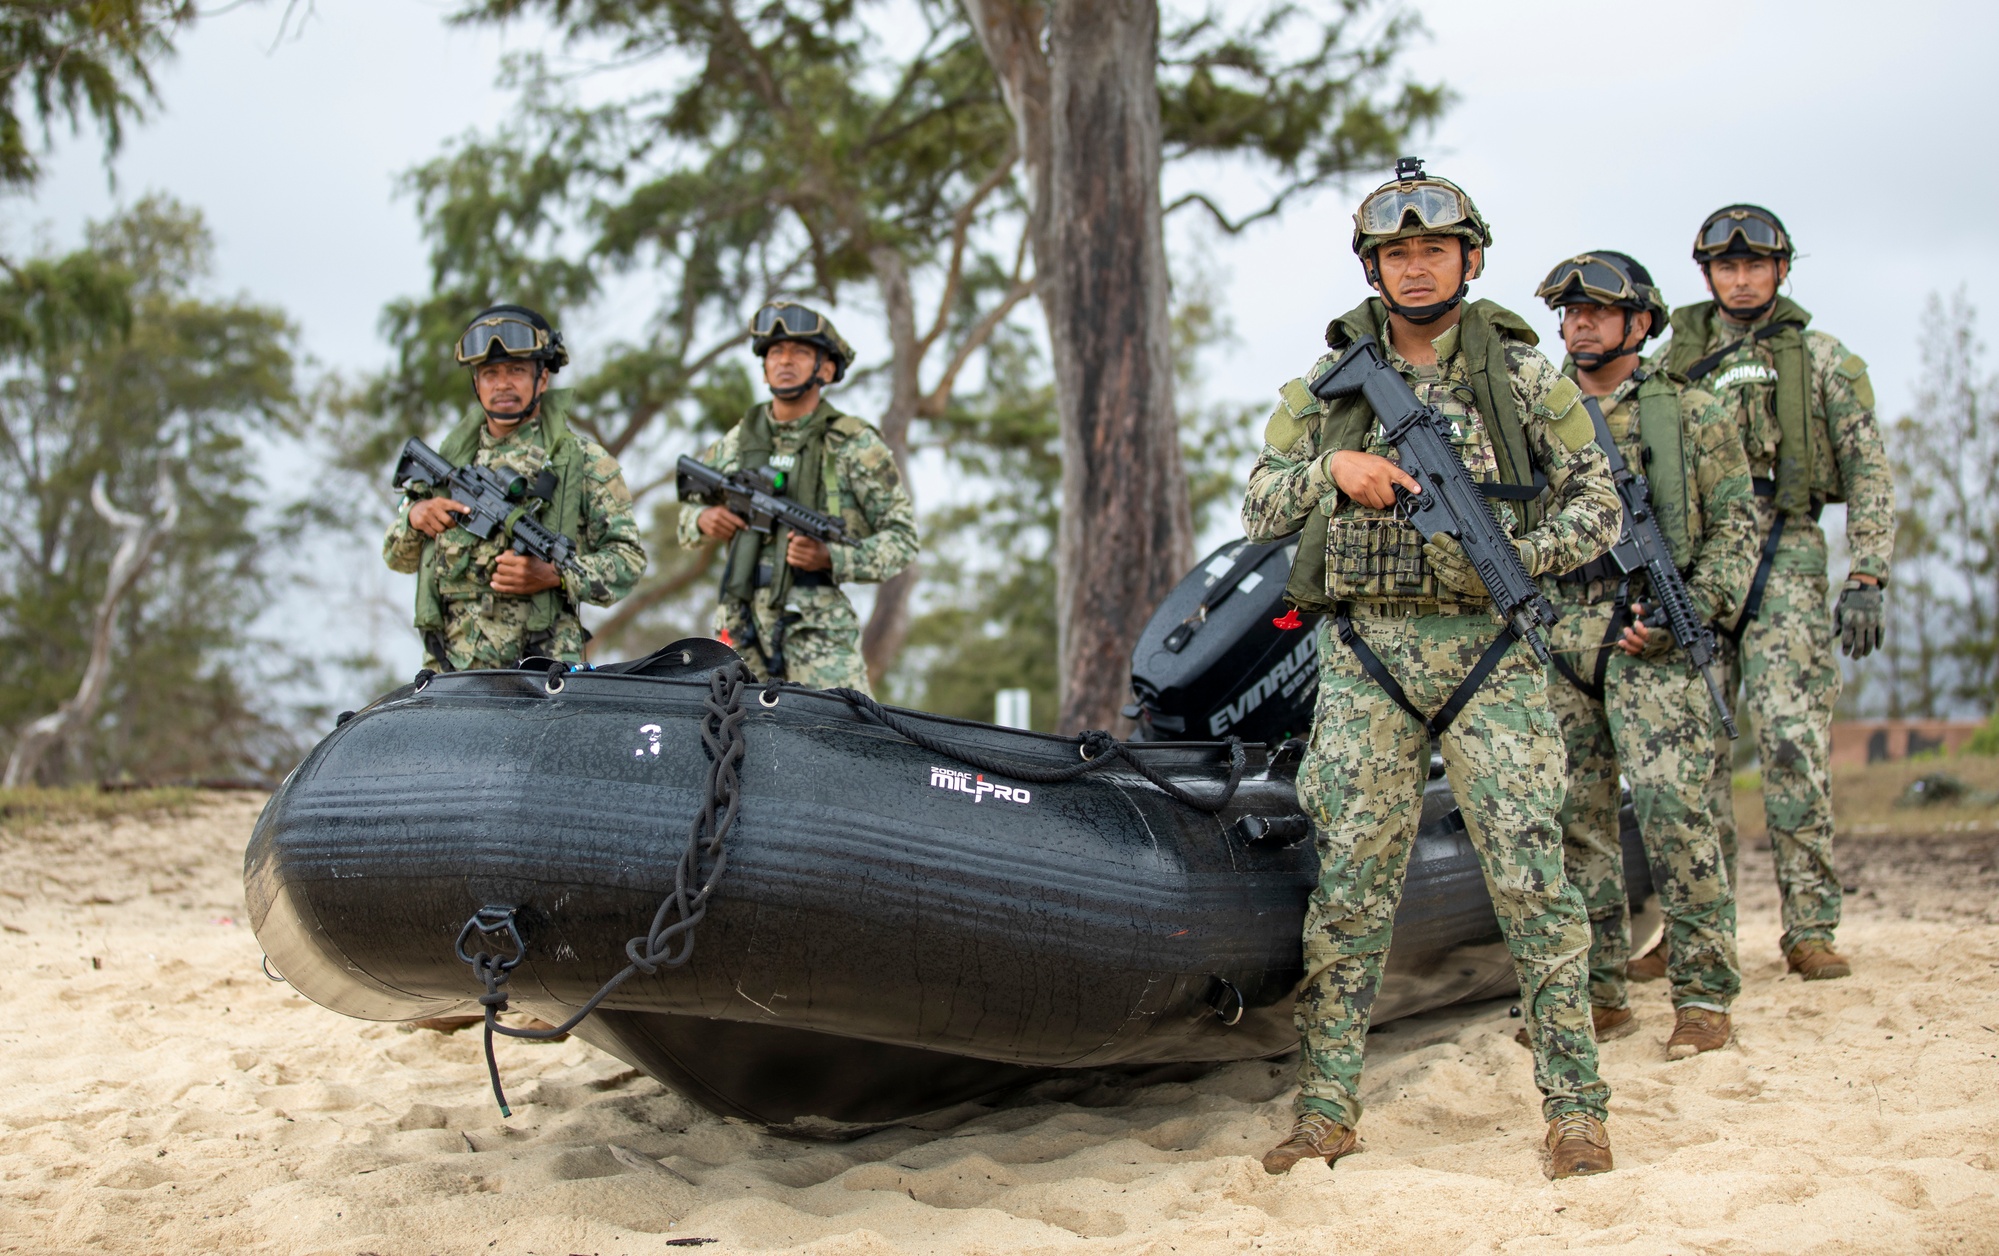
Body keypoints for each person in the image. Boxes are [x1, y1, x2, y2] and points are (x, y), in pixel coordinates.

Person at [1243, 160, 1622, 1179]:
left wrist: (1516, 557)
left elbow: (1601, 506)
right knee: (1351, 889)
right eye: (1396, 253)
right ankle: (1326, 1108)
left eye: (1434, 250)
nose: (1416, 269)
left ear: (1472, 257)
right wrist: (1335, 469)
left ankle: (1576, 1109)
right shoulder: (1325, 386)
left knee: (1533, 880)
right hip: (1366, 653)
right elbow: (1259, 501)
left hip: (1488, 654)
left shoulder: (1528, 379)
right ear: (1373, 267)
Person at [1644, 206, 1894, 982]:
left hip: (1783, 552)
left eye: (1755, 265)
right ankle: (1691, 935)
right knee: (1691, 759)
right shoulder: (1670, 361)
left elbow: (1867, 468)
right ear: (1707, 275)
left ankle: (1809, 926)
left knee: (1792, 742)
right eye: (1726, 267)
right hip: (1691, 565)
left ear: (1780, 270)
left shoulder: (1821, 359)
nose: (1741, 278)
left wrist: (1867, 574)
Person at [1532, 251, 1755, 1059]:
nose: (1578, 324)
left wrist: (1687, 611)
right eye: (1568, 312)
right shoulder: (1537, 416)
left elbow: (1735, 527)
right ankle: (1597, 995)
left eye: (1595, 310)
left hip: (1652, 635)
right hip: (1561, 634)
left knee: (1673, 816)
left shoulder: (1689, 413)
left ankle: (1702, 994)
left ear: (1640, 322)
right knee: (1574, 824)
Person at [384, 305, 647, 673]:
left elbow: (629, 561)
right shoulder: (450, 460)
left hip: (543, 678)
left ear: (542, 379)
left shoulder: (583, 461)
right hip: (449, 676)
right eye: (490, 373)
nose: (502, 384)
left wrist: (556, 575)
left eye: (517, 371)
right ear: (476, 383)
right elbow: (397, 557)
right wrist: (414, 517)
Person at [678, 300, 917, 692]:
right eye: (776, 352)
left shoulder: (853, 443)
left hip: (816, 626)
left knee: (840, 735)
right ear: (764, 364)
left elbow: (903, 540)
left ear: (825, 367)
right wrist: (703, 521)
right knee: (726, 735)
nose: (785, 361)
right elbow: (688, 513)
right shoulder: (740, 440)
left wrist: (832, 556)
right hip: (737, 624)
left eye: (800, 352)